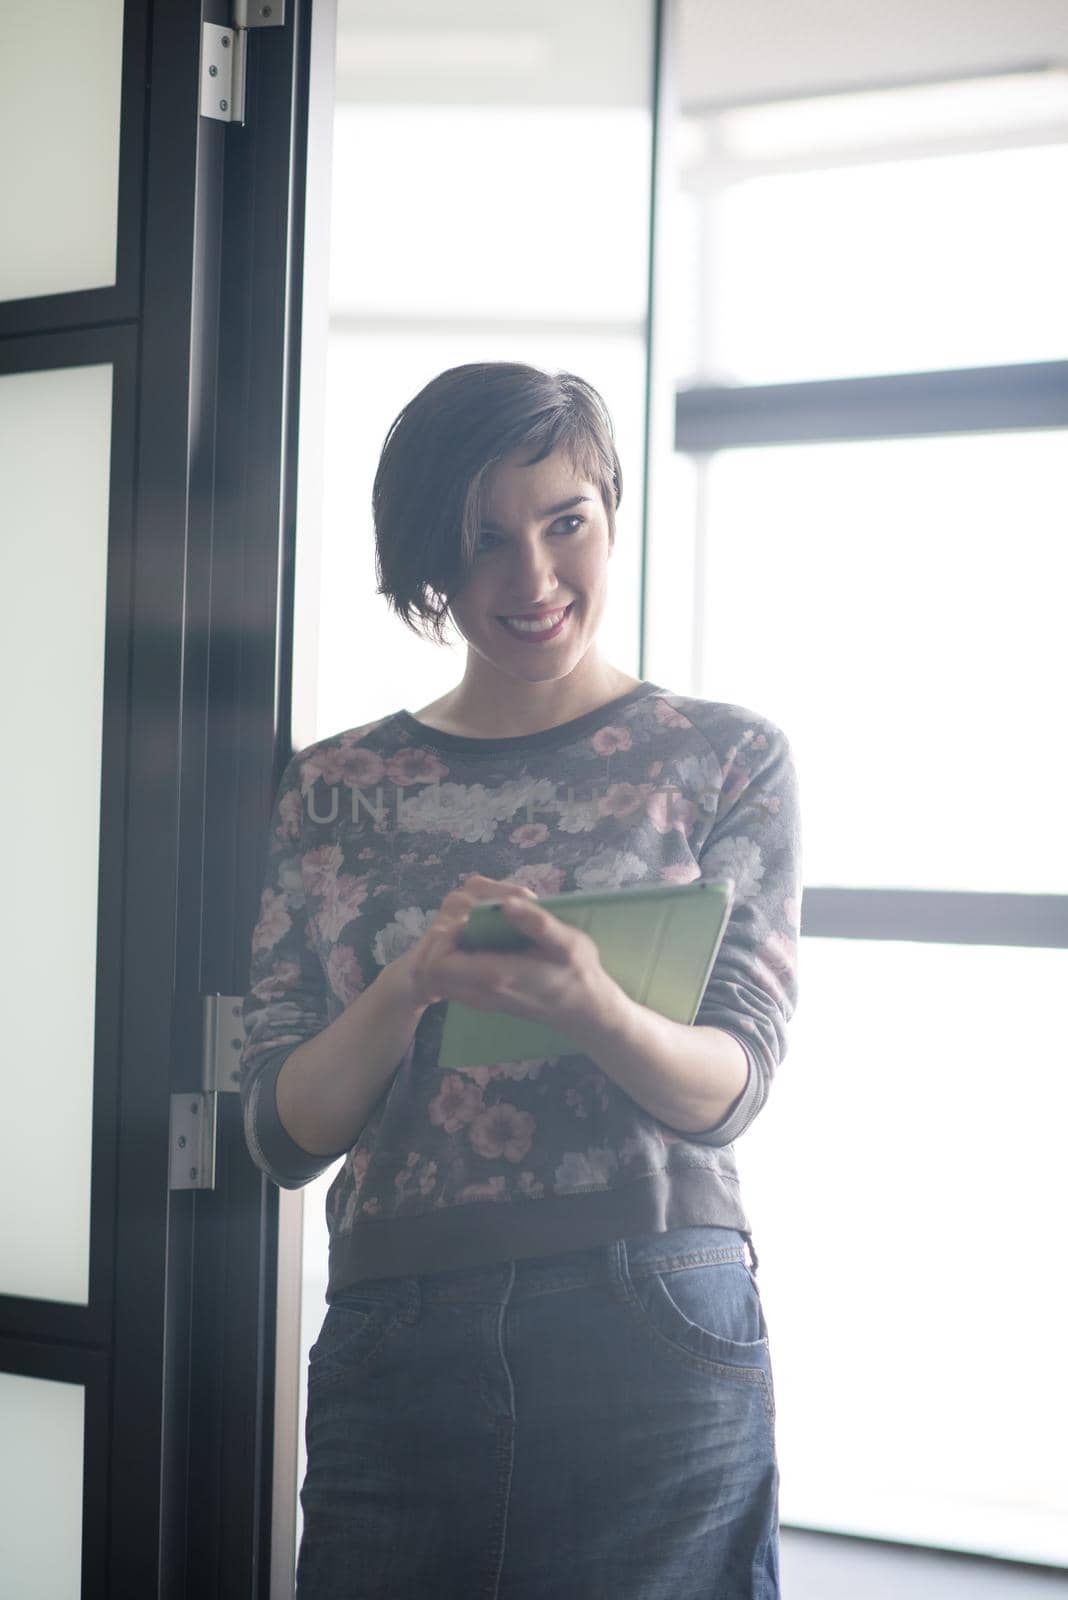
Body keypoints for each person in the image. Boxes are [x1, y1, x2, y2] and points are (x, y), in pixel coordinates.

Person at [239, 362, 802, 1599]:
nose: (534, 579)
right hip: (400, 1328)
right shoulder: (334, 786)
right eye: (484, 540)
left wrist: (597, 1007)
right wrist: (410, 987)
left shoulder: (725, 755)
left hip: (652, 1309)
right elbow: (278, 1129)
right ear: (427, 559)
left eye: (565, 524)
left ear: (609, 511)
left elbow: (735, 1083)